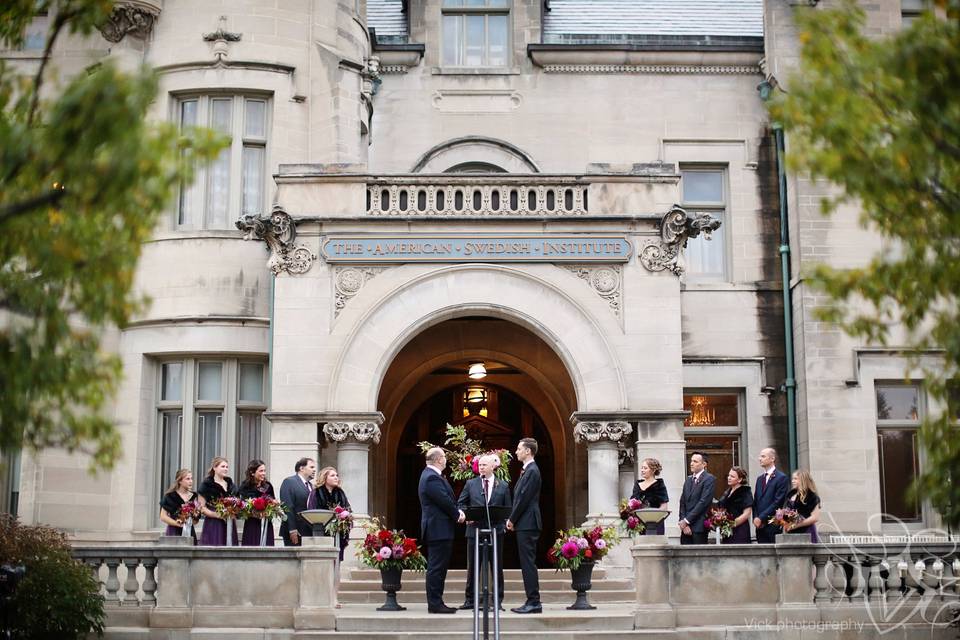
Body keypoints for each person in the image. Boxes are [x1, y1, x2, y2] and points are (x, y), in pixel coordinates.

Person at [457, 453, 512, 611]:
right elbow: (461, 503)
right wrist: (465, 515)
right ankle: (470, 600)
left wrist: (505, 522)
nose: (481, 467)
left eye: (484, 465)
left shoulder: (503, 486)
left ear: (493, 466)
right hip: (475, 530)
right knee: (473, 566)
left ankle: (497, 601)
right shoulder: (471, 484)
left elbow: (508, 509)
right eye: (479, 465)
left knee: (496, 566)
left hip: (496, 531)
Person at [419, 447, 466, 614]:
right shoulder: (431, 477)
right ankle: (435, 603)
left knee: (439, 567)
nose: (446, 459)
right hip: (438, 529)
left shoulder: (432, 475)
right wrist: (457, 514)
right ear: (439, 459)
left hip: (439, 528)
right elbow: (443, 500)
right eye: (444, 457)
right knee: (437, 567)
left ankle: (437, 602)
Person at [506, 437, 542, 614]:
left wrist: (511, 519)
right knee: (526, 562)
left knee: (528, 562)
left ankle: (534, 601)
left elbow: (523, 499)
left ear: (528, 451)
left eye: (519, 449)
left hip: (528, 522)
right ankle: (532, 600)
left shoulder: (532, 471)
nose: (516, 451)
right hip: (525, 522)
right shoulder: (527, 470)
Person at [197, 457, 239, 546]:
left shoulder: (231, 484)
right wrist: (217, 515)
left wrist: (234, 511)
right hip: (214, 524)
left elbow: (237, 502)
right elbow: (201, 507)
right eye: (222, 466)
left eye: (227, 467)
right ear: (214, 468)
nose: (225, 469)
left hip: (229, 522)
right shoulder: (206, 485)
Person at [315, 466, 352, 561]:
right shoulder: (316, 493)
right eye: (332, 475)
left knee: (337, 560)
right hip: (322, 532)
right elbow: (313, 512)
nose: (336, 477)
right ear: (325, 478)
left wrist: (345, 516)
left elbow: (348, 509)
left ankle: (335, 576)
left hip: (339, 532)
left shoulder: (340, 493)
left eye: (337, 475)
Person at [678, 451, 715, 545]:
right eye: (691, 461)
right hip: (685, 528)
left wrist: (687, 520)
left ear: (704, 464)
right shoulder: (688, 480)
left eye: (695, 461)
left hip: (699, 527)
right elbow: (682, 502)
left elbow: (703, 502)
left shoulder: (709, 479)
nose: (691, 463)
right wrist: (683, 522)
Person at [752, 447, 789, 544]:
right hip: (759, 526)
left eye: (763, 456)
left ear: (772, 459)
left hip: (772, 524)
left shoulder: (781, 478)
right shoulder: (760, 479)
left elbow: (778, 502)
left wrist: (761, 518)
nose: (760, 459)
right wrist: (755, 518)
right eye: (760, 456)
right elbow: (755, 501)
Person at [278, 457, 317, 547]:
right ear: (301, 468)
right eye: (311, 467)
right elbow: (288, 506)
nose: (314, 470)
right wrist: (292, 529)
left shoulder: (311, 486)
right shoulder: (289, 482)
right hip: (295, 531)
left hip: (308, 531)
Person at [239, 459, 276, 547]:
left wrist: (273, 506)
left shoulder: (268, 486)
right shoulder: (245, 486)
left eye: (264, 471)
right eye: (261, 471)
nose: (264, 473)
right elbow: (243, 506)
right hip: (252, 524)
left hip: (266, 523)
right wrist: (257, 513)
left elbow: (273, 501)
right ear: (252, 472)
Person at [630, 457, 669, 535]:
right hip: (640, 523)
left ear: (653, 470)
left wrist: (654, 518)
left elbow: (664, 506)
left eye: (645, 468)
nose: (642, 470)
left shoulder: (659, 484)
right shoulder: (637, 484)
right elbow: (632, 503)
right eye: (642, 468)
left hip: (656, 523)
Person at [159, 468, 198, 542]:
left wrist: (193, 519)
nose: (191, 481)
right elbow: (163, 516)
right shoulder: (170, 496)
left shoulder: (195, 496)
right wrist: (178, 524)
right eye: (188, 479)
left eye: (191, 478)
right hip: (174, 531)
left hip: (190, 531)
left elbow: (196, 521)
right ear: (180, 481)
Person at [783, 469, 821, 543]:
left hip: (806, 532)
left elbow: (815, 518)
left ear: (803, 480)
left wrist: (796, 525)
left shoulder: (812, 496)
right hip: (791, 533)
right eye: (792, 479)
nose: (792, 481)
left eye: (795, 479)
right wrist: (785, 522)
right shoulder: (790, 495)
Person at [717, 466, 753, 544]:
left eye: (732, 476)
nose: (729, 478)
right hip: (727, 531)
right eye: (729, 475)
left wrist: (732, 524)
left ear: (739, 479)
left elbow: (747, 513)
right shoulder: (727, 492)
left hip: (740, 530)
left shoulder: (745, 491)